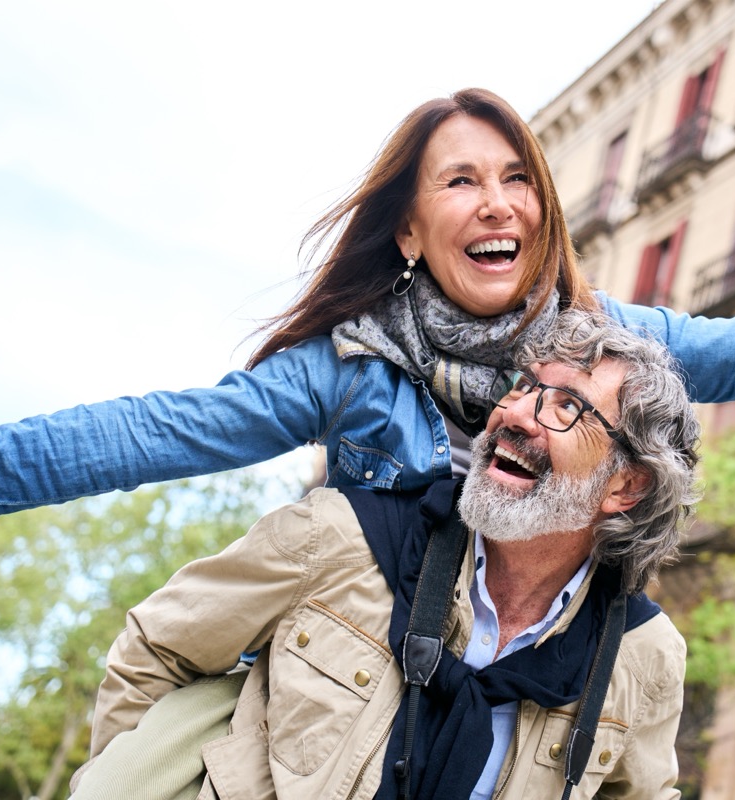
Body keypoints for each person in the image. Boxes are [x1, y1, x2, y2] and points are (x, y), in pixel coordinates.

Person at [0, 86, 735, 545]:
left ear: (544, 213)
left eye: (516, 180)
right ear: (411, 230)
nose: (495, 201)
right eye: (460, 180)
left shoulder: (611, 341)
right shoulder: (349, 370)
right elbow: (141, 433)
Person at [70, 310, 700, 800]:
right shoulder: (338, 535)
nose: (517, 416)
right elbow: (157, 648)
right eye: (523, 387)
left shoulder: (645, 656)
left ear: (626, 486)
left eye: (570, 407)